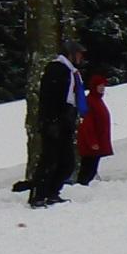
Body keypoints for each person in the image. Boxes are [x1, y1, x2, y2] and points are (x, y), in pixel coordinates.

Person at [29, 38, 87, 208]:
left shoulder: (71, 72)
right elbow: (50, 97)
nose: (81, 57)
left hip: (64, 121)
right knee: (49, 159)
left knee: (67, 161)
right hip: (54, 122)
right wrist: (52, 120)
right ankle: (39, 194)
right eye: (78, 54)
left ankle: (52, 191)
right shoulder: (57, 69)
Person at [75, 71, 113, 185]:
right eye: (100, 86)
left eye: (103, 86)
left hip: (97, 141)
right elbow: (87, 124)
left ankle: (84, 186)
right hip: (91, 143)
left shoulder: (97, 100)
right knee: (88, 168)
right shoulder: (90, 101)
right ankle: (81, 187)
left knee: (91, 167)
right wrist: (92, 141)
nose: (102, 89)